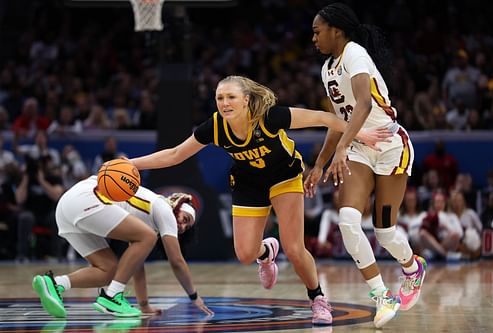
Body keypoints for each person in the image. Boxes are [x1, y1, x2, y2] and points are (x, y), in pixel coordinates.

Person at [129, 75, 391, 325]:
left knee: (295, 249)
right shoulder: (215, 126)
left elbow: (324, 117)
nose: (224, 103)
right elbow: (175, 154)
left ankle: (318, 299)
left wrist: (359, 134)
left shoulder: (270, 117)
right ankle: (266, 253)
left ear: (246, 100)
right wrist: (131, 164)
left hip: (283, 176)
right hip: (248, 182)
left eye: (231, 97)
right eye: (219, 98)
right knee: (244, 254)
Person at [304, 3, 427, 328]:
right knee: (347, 220)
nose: (313, 38)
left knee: (385, 232)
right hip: (358, 147)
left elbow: (364, 103)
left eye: (318, 31)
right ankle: (381, 295)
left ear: (336, 31)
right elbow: (337, 120)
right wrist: (319, 164)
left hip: (389, 145)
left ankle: (413, 268)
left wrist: (342, 147)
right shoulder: (327, 69)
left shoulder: (355, 53)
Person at [32, 175, 213, 318]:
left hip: (67, 206)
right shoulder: (164, 209)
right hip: (86, 198)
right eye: (185, 219)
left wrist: (144, 305)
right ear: (178, 206)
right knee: (147, 237)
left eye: (186, 228)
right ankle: (112, 297)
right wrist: (194, 297)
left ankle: (54, 284)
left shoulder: (147, 221)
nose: (181, 226)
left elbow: (136, 265)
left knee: (108, 270)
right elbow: (177, 262)